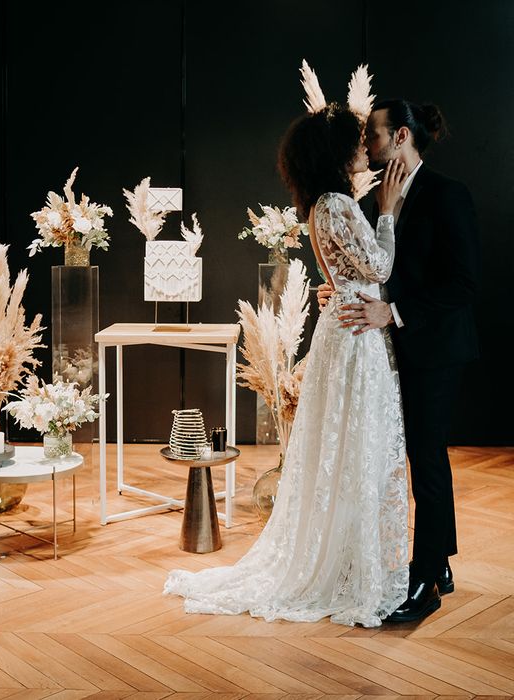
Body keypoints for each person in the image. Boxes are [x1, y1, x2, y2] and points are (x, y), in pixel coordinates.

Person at [164, 103, 410, 628]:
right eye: (355, 143)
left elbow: (350, 273)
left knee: (342, 446)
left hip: (343, 328)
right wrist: (387, 209)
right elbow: (381, 266)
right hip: (354, 339)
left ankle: (346, 555)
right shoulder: (339, 205)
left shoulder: (321, 205)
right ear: (335, 153)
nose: (363, 150)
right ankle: (351, 564)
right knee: (354, 445)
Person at [326, 100, 479, 622]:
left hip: (436, 348)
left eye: (374, 132)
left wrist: (392, 311)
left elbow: (463, 284)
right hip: (392, 348)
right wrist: (344, 294)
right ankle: (442, 560)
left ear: (402, 137)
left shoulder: (448, 194)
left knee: (428, 458)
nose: (367, 142)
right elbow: (374, 267)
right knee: (416, 455)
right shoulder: (375, 204)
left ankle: (427, 580)